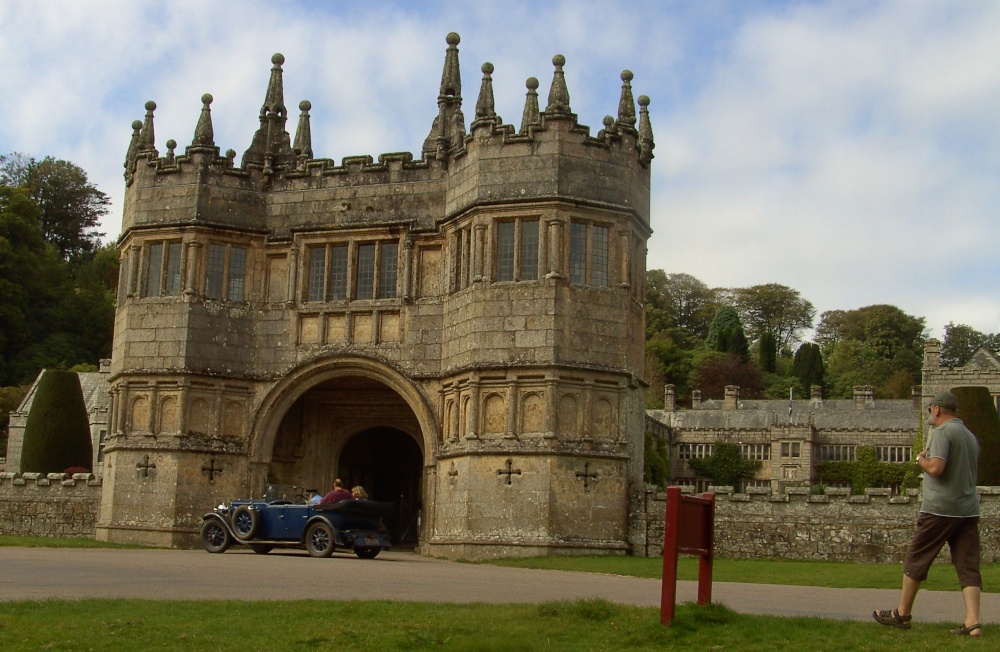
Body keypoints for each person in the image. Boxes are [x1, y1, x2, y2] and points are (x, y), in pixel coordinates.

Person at [873, 391, 982, 636]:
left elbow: (936, 468)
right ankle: (973, 623)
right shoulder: (969, 436)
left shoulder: (942, 432)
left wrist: (920, 458)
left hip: (940, 509)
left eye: (929, 409)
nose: (929, 414)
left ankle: (902, 614)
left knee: (917, 558)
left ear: (936, 410)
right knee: (968, 565)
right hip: (967, 509)